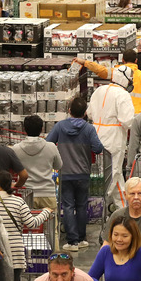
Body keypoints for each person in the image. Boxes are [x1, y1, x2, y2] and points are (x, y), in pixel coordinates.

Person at [48, 97, 104, 249]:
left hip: (65, 173)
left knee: (67, 206)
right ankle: (81, 238)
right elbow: (98, 148)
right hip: (83, 173)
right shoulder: (89, 129)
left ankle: (71, 241)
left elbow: (48, 143)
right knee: (81, 206)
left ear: (69, 110)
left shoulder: (60, 127)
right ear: (85, 113)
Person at [87, 68, 135, 211]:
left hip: (94, 134)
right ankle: (97, 206)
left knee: (113, 173)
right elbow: (127, 121)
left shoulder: (99, 90)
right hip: (113, 137)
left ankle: (123, 208)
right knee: (112, 174)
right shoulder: (123, 95)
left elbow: (89, 113)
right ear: (125, 78)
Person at [89, 216, 141, 281]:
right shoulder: (105, 251)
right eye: (115, 235)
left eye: (124, 236)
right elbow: (90, 278)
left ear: (133, 237)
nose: (119, 239)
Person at [76, 50, 141, 114]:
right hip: (139, 113)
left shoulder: (116, 73)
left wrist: (84, 62)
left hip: (121, 112)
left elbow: (100, 70)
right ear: (136, 60)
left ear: (122, 60)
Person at [12, 115, 62, 210]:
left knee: (28, 224)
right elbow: (58, 165)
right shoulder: (51, 147)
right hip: (47, 193)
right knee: (49, 223)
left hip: (26, 194)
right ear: (42, 129)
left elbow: (14, 169)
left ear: (24, 129)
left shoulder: (16, 148)